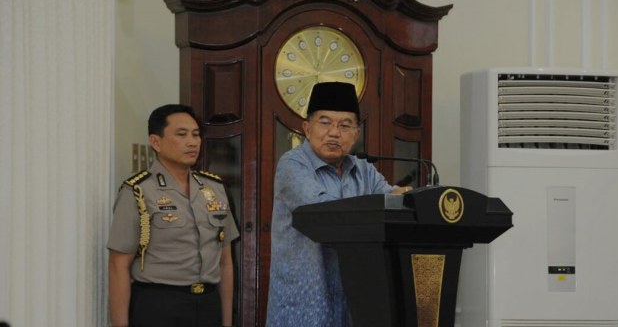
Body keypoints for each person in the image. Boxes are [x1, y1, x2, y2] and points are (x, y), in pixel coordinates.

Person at [266, 82, 411, 326]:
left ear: (356, 134)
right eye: (325, 122)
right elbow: (323, 212)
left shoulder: (364, 169)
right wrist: (376, 207)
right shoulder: (293, 164)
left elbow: (391, 201)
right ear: (306, 128)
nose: (334, 133)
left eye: (345, 125)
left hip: (354, 303)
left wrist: (406, 197)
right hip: (304, 305)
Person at [107, 104, 239, 327]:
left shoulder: (214, 188)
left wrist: (226, 322)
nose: (192, 142)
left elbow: (225, 262)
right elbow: (118, 265)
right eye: (182, 134)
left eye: (196, 135)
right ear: (155, 142)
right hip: (159, 305)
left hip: (208, 305)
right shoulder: (138, 191)